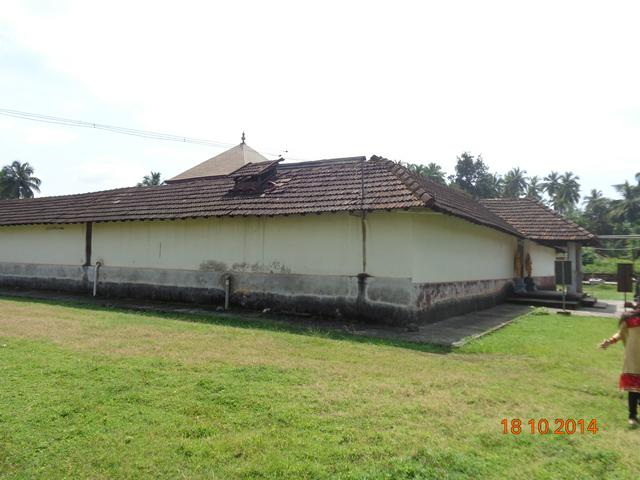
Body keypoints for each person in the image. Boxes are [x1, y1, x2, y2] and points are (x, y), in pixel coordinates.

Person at [599, 306, 640, 426]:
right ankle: (632, 416)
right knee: (633, 389)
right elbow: (621, 334)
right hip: (634, 358)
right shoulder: (630, 319)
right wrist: (609, 341)